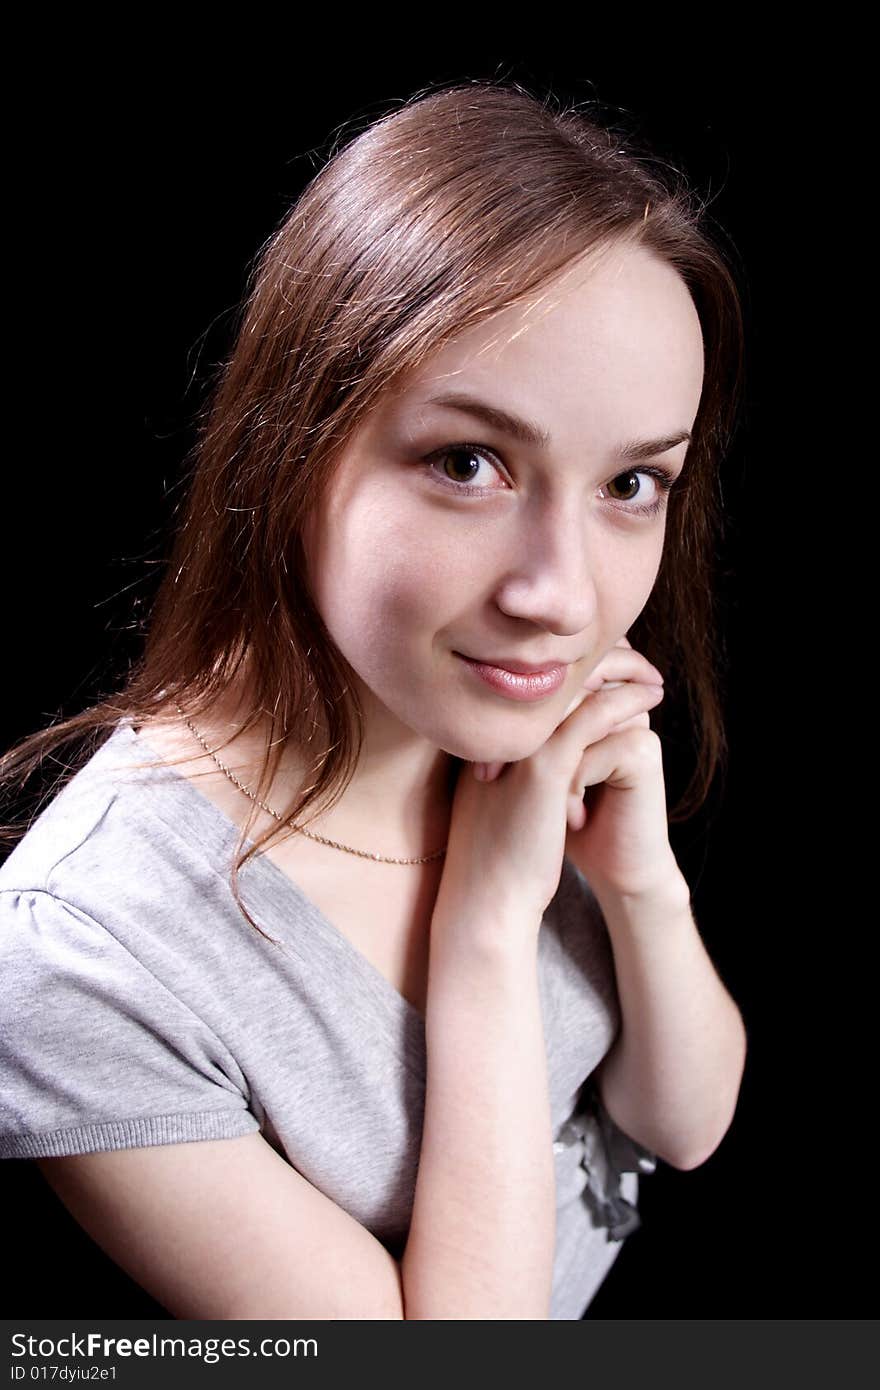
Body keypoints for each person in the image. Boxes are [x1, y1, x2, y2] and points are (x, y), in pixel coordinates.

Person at [0, 78, 748, 1320]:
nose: (560, 598)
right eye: (469, 463)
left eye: (632, 483)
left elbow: (683, 1122)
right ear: (292, 451)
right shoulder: (82, 957)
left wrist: (638, 884)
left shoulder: (519, 714)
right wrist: (486, 931)